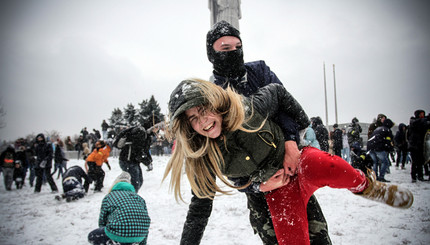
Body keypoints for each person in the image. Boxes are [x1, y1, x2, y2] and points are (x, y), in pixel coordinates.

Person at [164, 79, 413, 245]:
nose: (204, 121)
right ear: (188, 128)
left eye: (204, 109)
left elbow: (278, 91)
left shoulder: (249, 109)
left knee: (333, 166)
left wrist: (298, 137)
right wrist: (256, 188)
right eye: (194, 119)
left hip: (300, 163)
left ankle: (367, 186)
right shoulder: (203, 155)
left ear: (216, 104)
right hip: (278, 191)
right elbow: (199, 208)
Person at [177, 20, 330, 245]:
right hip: (259, 190)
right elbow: (226, 164)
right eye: (225, 49)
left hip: (289, 168)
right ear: (212, 54)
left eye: (238, 47)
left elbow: (284, 104)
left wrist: (290, 141)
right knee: (277, 239)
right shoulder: (210, 98)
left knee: (316, 234)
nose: (234, 53)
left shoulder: (258, 71)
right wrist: (257, 186)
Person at [88, 172, 150, 245]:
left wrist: (108, 233)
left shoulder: (109, 196)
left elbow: (102, 220)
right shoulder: (139, 198)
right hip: (139, 235)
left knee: (92, 236)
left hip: (117, 235)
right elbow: (146, 220)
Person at [113, 126, 153, 193]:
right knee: (135, 183)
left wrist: (148, 161)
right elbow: (139, 151)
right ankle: (130, 197)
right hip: (128, 161)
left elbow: (143, 151)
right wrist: (147, 162)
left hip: (132, 161)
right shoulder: (139, 133)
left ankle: (130, 196)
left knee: (138, 181)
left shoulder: (143, 134)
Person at [408, 109, 430, 182]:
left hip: (421, 146)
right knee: (414, 162)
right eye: (420, 114)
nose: (422, 116)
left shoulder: (422, 123)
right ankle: (413, 177)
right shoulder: (413, 121)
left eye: (423, 114)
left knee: (420, 162)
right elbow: (416, 123)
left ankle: (420, 176)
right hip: (414, 146)